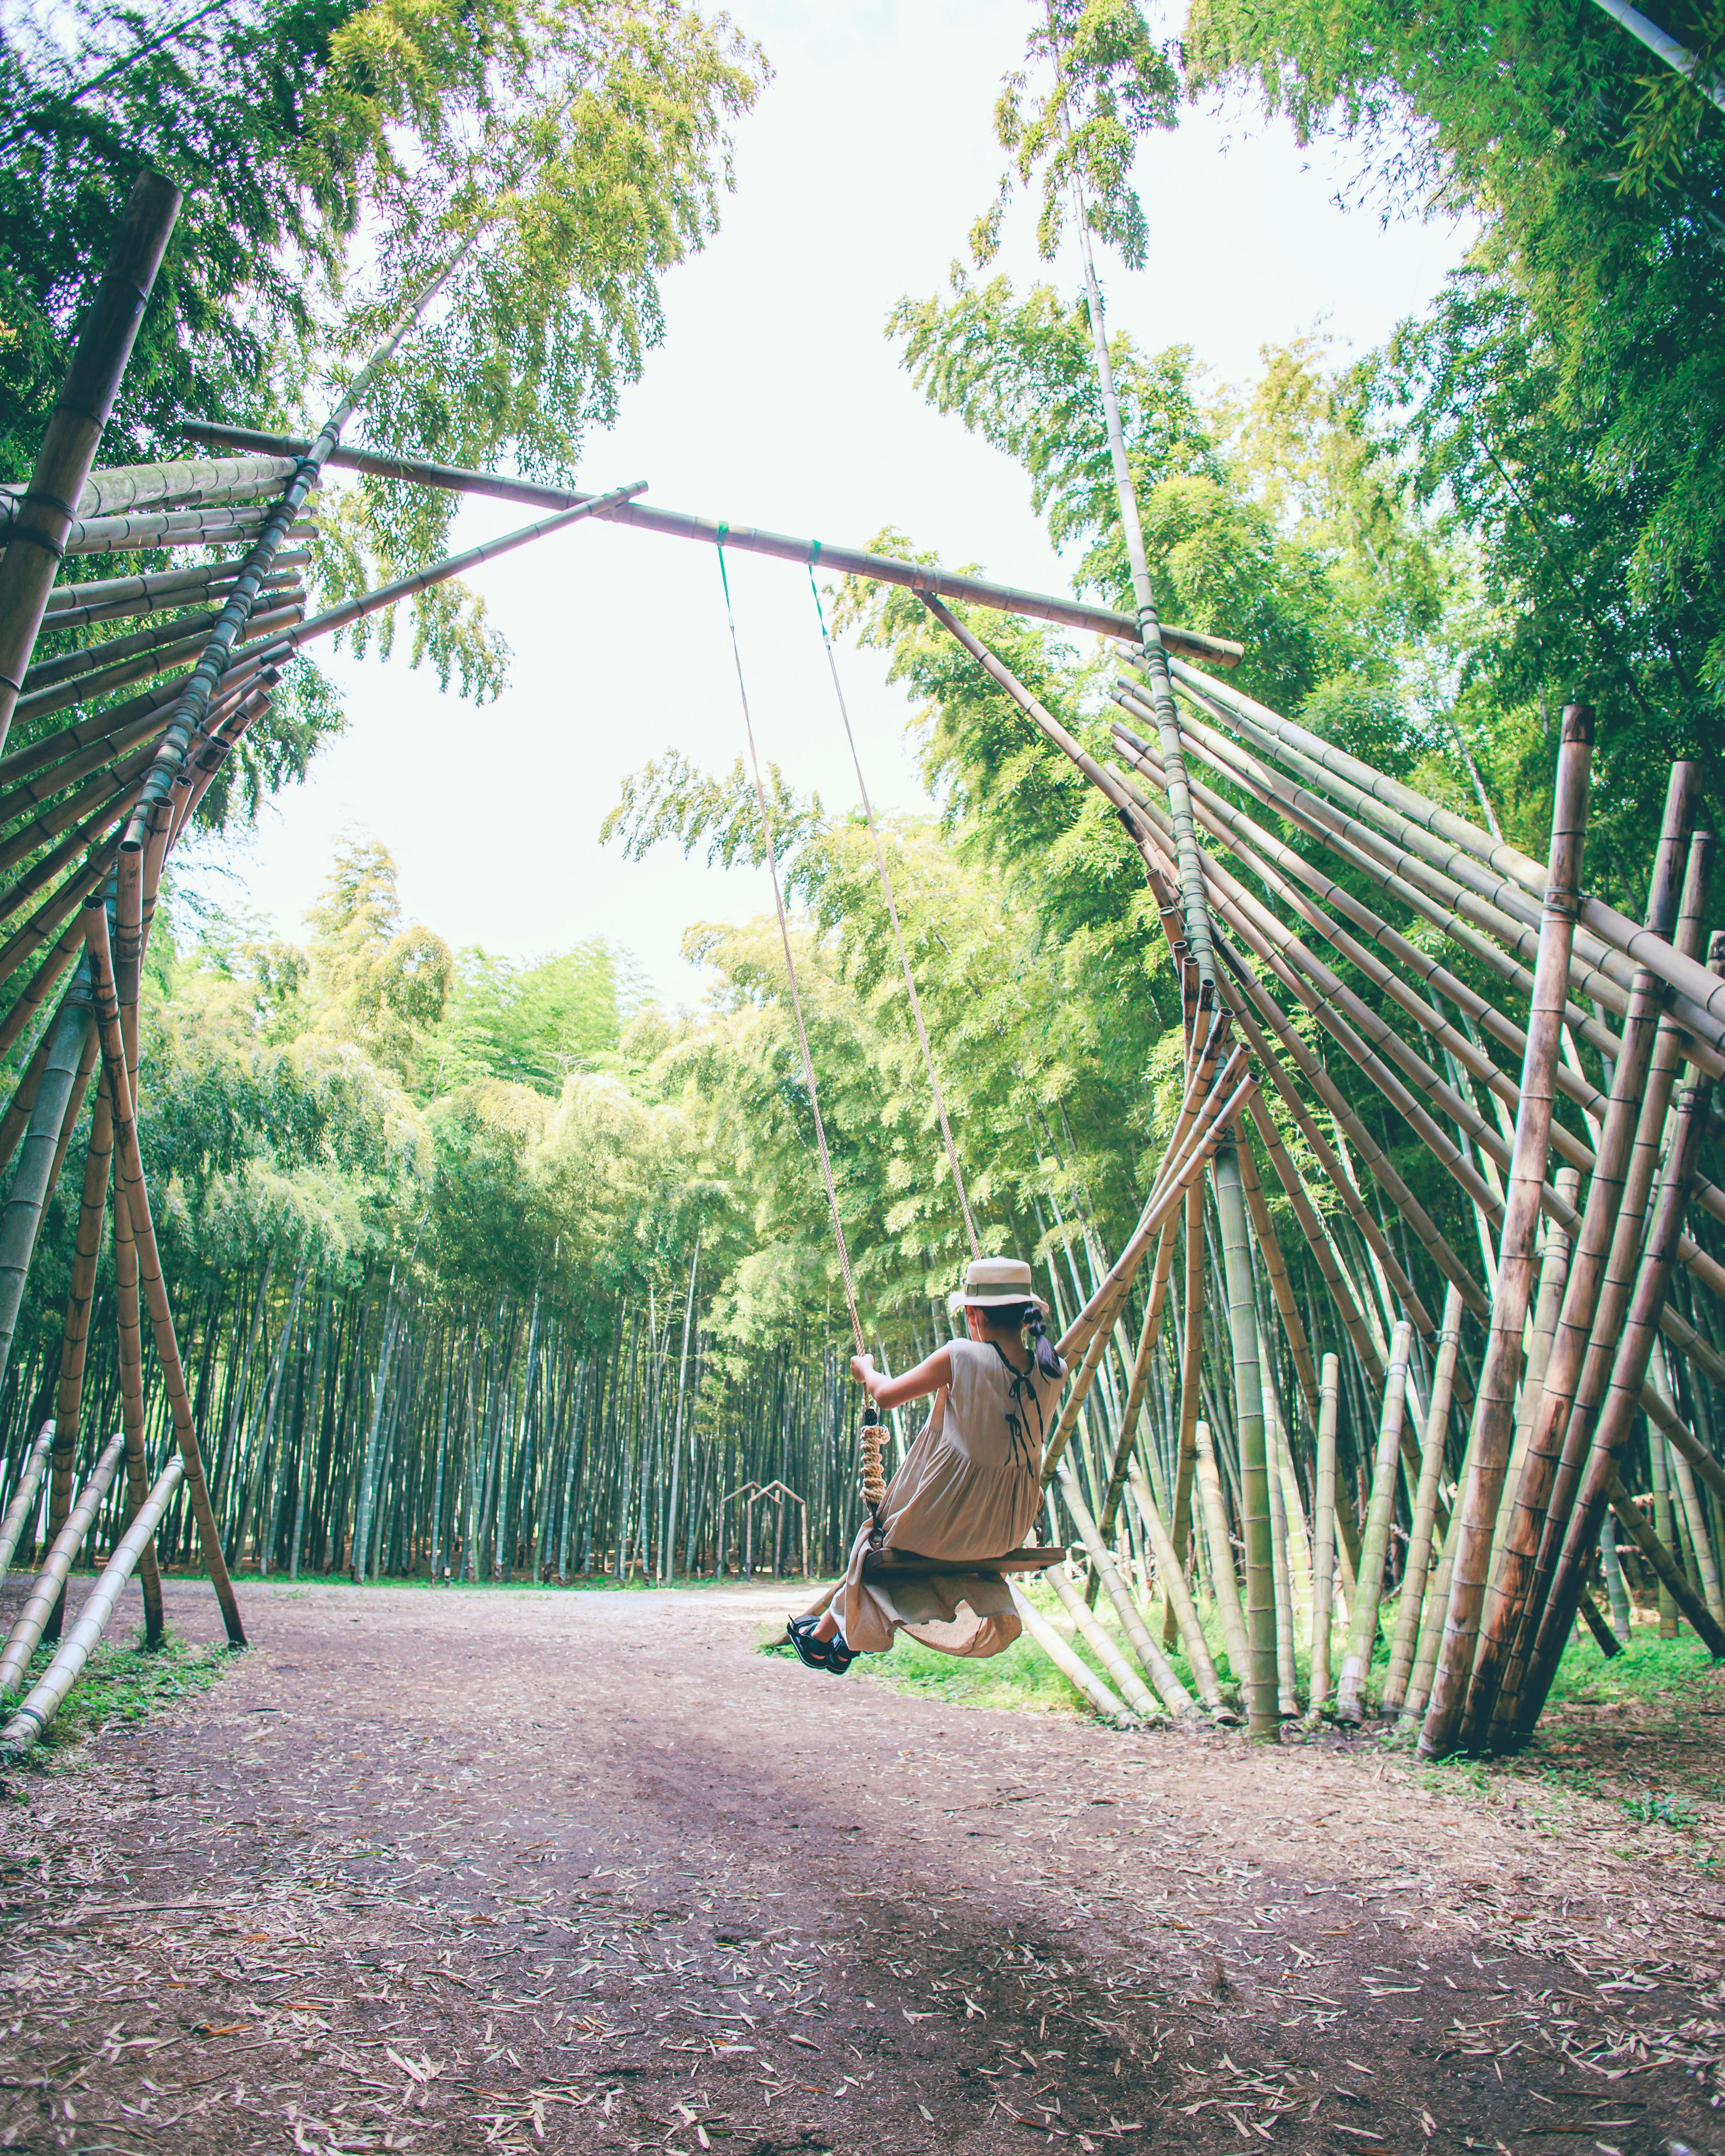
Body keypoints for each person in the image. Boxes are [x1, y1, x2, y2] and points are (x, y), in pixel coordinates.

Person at [787, 1256, 1066, 1672]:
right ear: (1026, 1319)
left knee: (876, 1544)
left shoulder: (962, 1355)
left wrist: (867, 1370)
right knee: (903, 1546)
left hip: (947, 1521)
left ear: (972, 1315)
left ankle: (826, 1638)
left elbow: (886, 1395)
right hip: (1007, 1527)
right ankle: (834, 1642)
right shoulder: (1054, 1368)